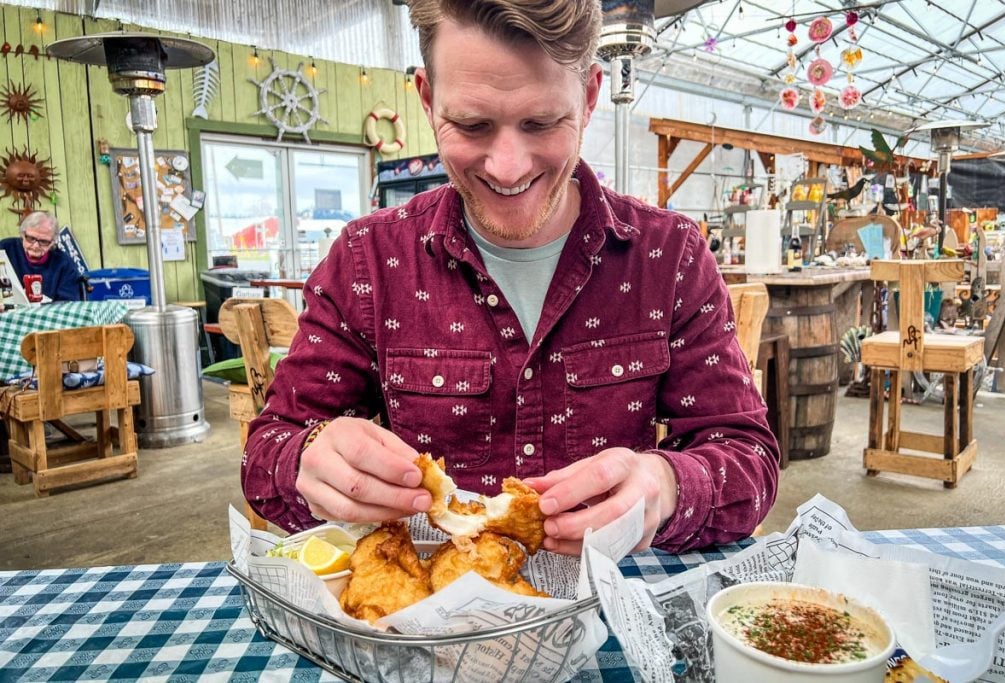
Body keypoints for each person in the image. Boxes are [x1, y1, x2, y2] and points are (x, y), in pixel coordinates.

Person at [243, 0, 780, 555]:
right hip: (422, 620)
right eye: (471, 125)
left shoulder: (669, 255)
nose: (508, 166)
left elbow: (748, 458)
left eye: (542, 122)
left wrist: (665, 486)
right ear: (427, 99)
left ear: (590, 96)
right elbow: (265, 455)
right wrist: (308, 459)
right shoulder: (368, 259)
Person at [0, 211, 82, 302]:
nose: (35, 246)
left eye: (43, 241)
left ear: (53, 242)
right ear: (22, 234)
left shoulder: (64, 264)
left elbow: (68, 303)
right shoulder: (5, 248)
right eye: (30, 238)